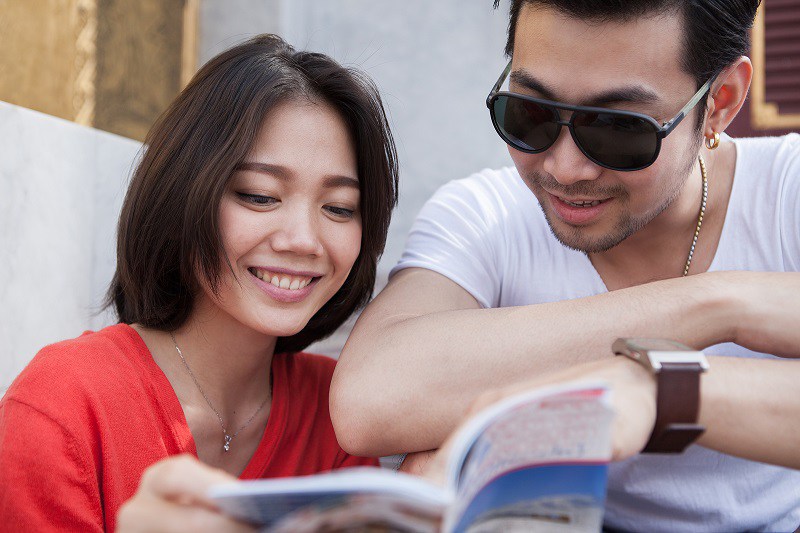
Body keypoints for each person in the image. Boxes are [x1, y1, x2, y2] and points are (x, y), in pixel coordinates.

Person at [331, 1, 800, 531]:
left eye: (620, 129)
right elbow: (370, 398)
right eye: (530, 112)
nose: (565, 168)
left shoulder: (786, 194)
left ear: (720, 103)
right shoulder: (486, 216)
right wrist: (716, 304)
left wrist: (655, 391)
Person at [0, 34, 398, 532]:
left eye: (339, 208)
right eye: (259, 196)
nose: (304, 239)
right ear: (185, 192)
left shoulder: (337, 410)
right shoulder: (64, 404)